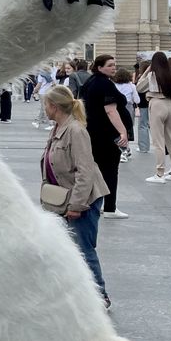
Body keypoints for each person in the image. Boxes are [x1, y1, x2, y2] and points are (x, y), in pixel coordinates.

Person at [42, 84, 111, 309]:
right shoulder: (57, 128)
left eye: (45, 104)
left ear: (54, 106)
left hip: (82, 200)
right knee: (66, 248)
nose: (44, 109)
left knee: (83, 249)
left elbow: (86, 171)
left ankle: (100, 295)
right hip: (63, 198)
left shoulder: (76, 131)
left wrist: (77, 205)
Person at [80, 54, 129, 218]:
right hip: (105, 133)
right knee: (109, 170)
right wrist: (123, 131)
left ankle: (94, 202)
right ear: (99, 67)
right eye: (110, 65)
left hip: (91, 131)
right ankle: (110, 207)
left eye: (114, 65)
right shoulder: (105, 84)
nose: (113, 67)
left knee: (95, 169)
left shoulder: (90, 82)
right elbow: (111, 110)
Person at [137, 51, 171, 183]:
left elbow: (139, 88)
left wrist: (146, 72)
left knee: (158, 142)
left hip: (157, 104)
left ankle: (159, 173)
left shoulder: (153, 75)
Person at [113, 67, 139, 157]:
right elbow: (137, 100)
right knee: (127, 128)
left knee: (118, 128)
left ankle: (124, 148)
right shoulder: (131, 86)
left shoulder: (114, 85)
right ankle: (126, 147)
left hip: (116, 107)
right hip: (128, 107)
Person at [134, 60, 151, 153]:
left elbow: (138, 90)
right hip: (152, 103)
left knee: (142, 126)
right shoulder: (153, 77)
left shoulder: (143, 78)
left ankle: (143, 147)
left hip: (143, 104)